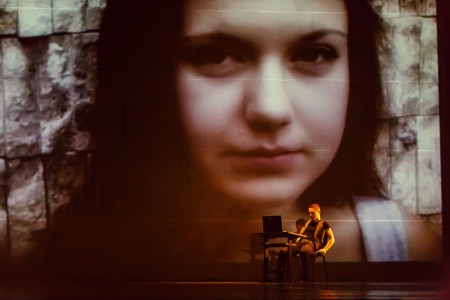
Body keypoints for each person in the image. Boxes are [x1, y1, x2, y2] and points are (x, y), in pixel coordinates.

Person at [21, 0, 441, 280]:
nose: (271, 108)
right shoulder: (72, 272)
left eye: (314, 54)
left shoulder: (400, 246)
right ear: (144, 78)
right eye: (215, 55)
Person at [296, 204, 335, 281]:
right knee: (284, 251)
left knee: (303, 251)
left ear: (319, 212)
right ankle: (279, 278)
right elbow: (300, 235)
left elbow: (332, 239)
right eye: (309, 213)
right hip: (302, 243)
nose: (310, 215)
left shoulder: (324, 224)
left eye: (313, 213)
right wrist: (297, 241)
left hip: (313, 245)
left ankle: (305, 279)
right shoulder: (307, 222)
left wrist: (324, 249)